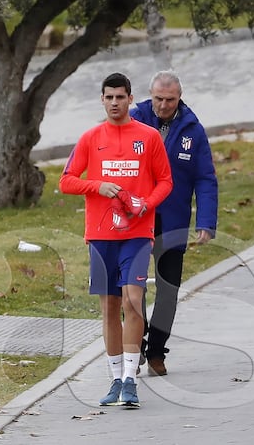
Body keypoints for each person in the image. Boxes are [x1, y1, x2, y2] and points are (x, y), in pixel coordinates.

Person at [59, 72, 172, 407]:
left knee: (132, 302)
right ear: (102, 99)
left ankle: (130, 380)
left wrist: (146, 205)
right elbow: (67, 181)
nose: (114, 103)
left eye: (120, 97)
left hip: (136, 234)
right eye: (108, 97)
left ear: (130, 99)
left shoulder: (148, 137)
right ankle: (114, 379)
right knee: (109, 307)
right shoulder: (91, 138)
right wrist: (97, 185)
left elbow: (165, 181)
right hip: (100, 234)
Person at [130, 70, 218, 376]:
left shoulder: (193, 130)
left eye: (170, 100)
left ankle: (156, 350)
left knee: (168, 290)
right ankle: (136, 343)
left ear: (179, 97)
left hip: (173, 221)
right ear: (150, 94)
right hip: (136, 221)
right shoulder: (134, 119)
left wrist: (206, 221)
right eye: (158, 99)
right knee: (133, 288)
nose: (164, 105)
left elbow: (205, 179)